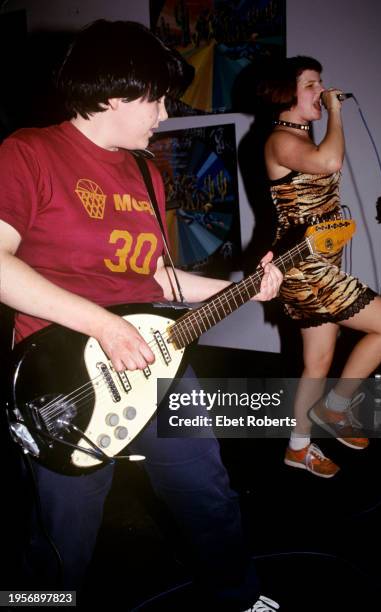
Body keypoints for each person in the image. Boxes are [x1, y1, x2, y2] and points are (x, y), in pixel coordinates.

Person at [0, 20, 283, 612]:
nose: (162, 114)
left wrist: (248, 288)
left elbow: (157, 278)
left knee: (206, 491)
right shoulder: (27, 152)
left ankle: (239, 596)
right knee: (61, 536)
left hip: (155, 357)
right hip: (64, 380)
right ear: (114, 91)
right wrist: (103, 324)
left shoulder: (146, 173)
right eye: (155, 97)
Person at [259, 56, 381, 478]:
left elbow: (324, 160)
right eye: (311, 84)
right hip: (308, 271)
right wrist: (337, 111)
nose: (322, 91)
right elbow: (329, 162)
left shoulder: (297, 138)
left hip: (314, 266)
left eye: (320, 83)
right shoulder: (279, 140)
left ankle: (298, 447)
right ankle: (336, 408)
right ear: (287, 92)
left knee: (318, 362)